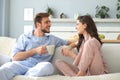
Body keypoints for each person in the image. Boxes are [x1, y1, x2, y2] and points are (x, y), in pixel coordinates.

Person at [0, 13, 71, 80]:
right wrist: (35, 51)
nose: (50, 24)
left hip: (39, 67)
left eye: (50, 22)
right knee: (4, 69)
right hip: (22, 64)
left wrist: (78, 38)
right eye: (46, 22)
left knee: (48, 66)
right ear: (38, 24)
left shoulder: (52, 39)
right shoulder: (25, 37)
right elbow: (15, 57)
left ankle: (25, 76)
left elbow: (70, 42)